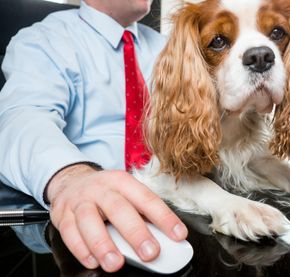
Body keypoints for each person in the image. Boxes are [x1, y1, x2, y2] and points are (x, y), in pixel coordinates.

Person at [0, 0, 188, 273]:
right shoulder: (45, 38)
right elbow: (22, 117)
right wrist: (69, 178)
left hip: (175, 204)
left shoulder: (168, 49)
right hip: (85, 220)